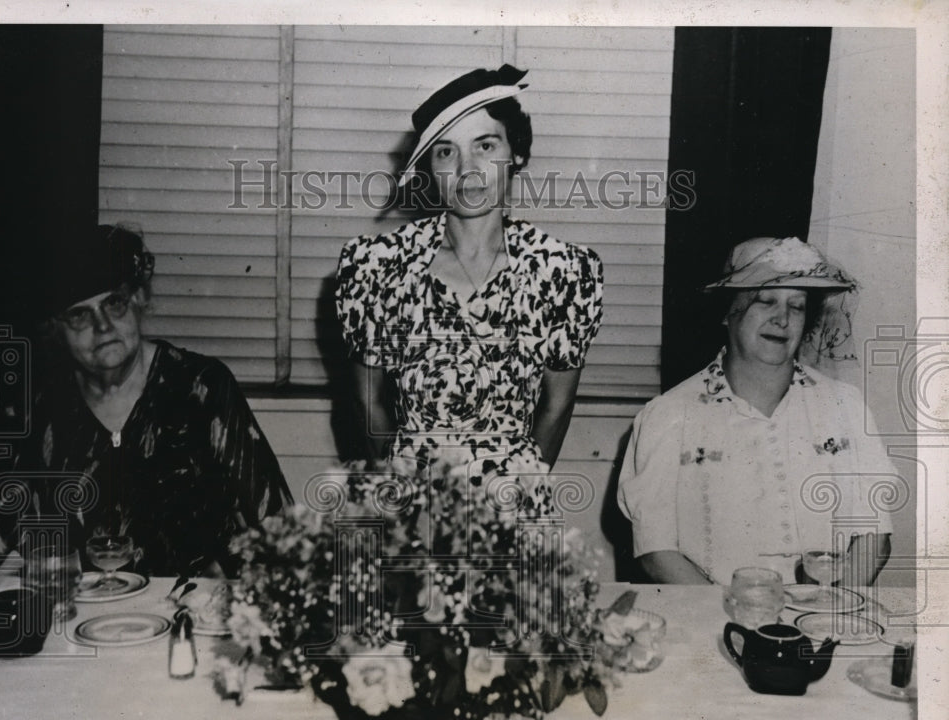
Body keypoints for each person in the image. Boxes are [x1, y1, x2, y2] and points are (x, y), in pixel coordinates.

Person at [335, 65, 603, 485]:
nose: (466, 169)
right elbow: (368, 403)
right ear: (429, 168)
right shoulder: (377, 265)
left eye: (485, 145)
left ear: (515, 152)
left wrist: (518, 489)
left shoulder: (563, 270)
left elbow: (557, 406)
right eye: (446, 151)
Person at [0, 224, 292, 577]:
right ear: (55, 328)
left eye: (114, 303)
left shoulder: (203, 387)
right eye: (80, 314)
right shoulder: (31, 408)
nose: (103, 327)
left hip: (190, 614)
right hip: (75, 616)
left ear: (140, 299)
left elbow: (279, 530)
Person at [617, 237, 895, 586]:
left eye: (797, 307)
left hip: (823, 624)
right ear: (726, 312)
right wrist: (734, 615)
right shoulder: (667, 415)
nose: (783, 319)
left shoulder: (846, 406)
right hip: (715, 626)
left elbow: (873, 535)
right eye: (766, 301)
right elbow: (656, 553)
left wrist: (831, 615)